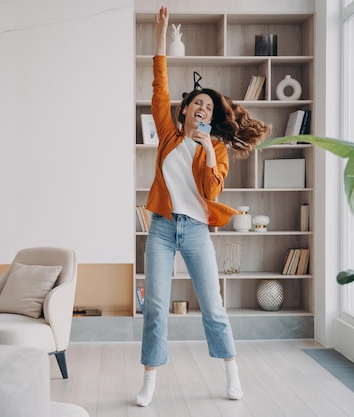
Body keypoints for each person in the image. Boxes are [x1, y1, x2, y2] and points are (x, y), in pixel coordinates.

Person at [136, 6, 272, 407]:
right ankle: (149, 381)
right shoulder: (167, 135)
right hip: (161, 227)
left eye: (209, 108)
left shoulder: (215, 149)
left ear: (213, 118)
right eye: (197, 104)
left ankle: (231, 371)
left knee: (212, 306)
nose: (202, 109)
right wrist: (159, 36)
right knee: (156, 308)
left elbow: (211, 193)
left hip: (195, 231)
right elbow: (159, 82)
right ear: (185, 110)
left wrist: (210, 154)